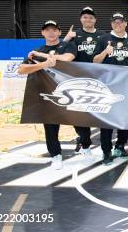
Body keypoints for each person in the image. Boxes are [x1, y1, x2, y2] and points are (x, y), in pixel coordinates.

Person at [18, 20, 77, 170]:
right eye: (47, 30)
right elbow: (22, 69)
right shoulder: (37, 49)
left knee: (80, 122)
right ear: (43, 32)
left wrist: (41, 56)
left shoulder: (67, 46)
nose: (51, 32)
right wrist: (43, 64)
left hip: (71, 93)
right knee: (50, 126)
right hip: (48, 94)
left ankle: (85, 145)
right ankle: (56, 155)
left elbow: (67, 58)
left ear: (59, 32)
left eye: (54, 30)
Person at [92, 13, 128, 164]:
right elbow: (95, 61)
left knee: (125, 118)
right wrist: (105, 52)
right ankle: (106, 151)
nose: (117, 24)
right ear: (111, 24)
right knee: (107, 120)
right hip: (108, 85)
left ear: (126, 23)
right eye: (115, 22)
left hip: (126, 85)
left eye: (120, 22)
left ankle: (120, 146)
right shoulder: (103, 39)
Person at [61, 6, 103, 157]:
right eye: (85, 17)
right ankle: (85, 141)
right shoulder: (74, 35)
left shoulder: (102, 35)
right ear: (81, 19)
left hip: (98, 79)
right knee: (78, 113)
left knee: (96, 112)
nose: (88, 19)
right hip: (77, 79)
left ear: (95, 19)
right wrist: (65, 39)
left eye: (91, 17)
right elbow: (60, 53)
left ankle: (90, 140)